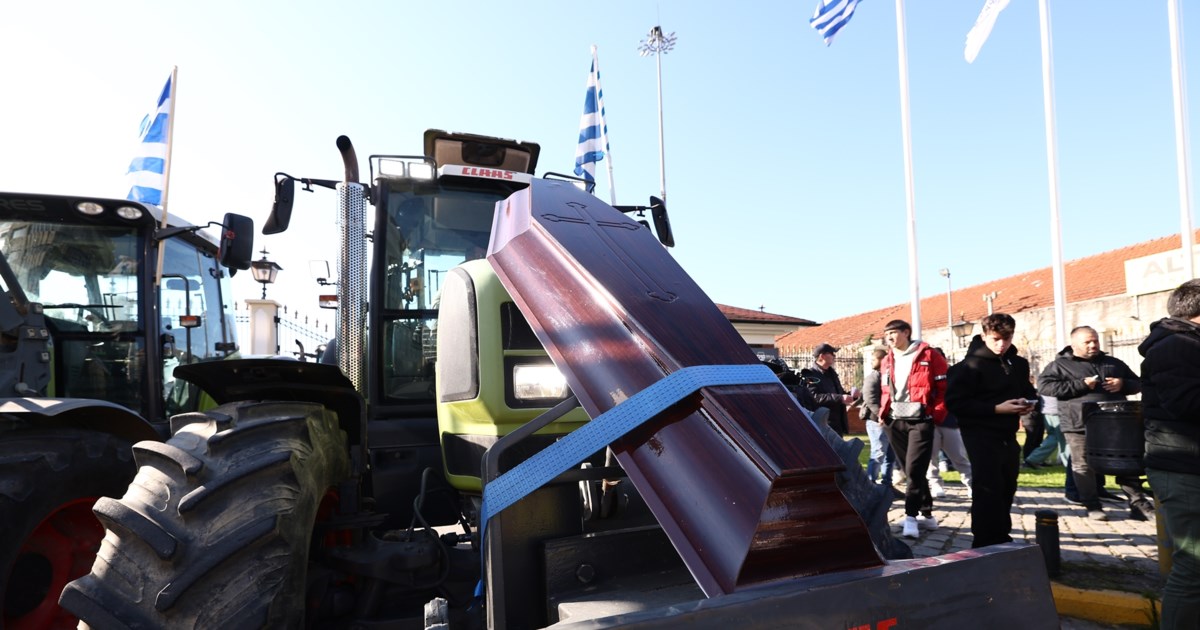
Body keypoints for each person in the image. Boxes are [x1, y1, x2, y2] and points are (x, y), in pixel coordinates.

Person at [1038, 325, 1150, 522]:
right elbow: (1045, 387)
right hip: (1078, 423)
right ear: (1074, 344)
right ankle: (1092, 505)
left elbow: (1139, 383)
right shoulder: (1060, 365)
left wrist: (1123, 384)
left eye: (1095, 341)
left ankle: (1138, 504)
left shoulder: (1113, 362)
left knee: (1128, 462)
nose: (1093, 345)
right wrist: (1081, 384)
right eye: (1087, 342)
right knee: (1083, 465)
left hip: (1116, 424)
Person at [945, 313, 1037, 548]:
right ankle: (984, 541)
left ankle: (1001, 536)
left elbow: (1027, 390)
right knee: (987, 487)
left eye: (1007, 339)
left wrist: (1028, 403)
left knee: (1007, 484)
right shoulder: (967, 367)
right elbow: (956, 404)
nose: (1001, 344)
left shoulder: (1017, 363)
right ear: (984, 335)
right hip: (979, 434)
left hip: (1008, 434)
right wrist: (996, 409)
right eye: (996, 339)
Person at [1138, 279, 1200, 629]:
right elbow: (1186, 402)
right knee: (1194, 566)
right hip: (1183, 468)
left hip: (1189, 464)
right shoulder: (1176, 345)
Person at [879, 319, 948, 539]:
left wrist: (935, 414)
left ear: (906, 332)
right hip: (894, 421)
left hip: (921, 420)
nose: (890, 337)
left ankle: (911, 517)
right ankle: (927, 514)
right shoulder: (887, 359)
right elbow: (884, 390)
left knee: (916, 469)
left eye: (893, 332)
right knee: (911, 470)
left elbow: (944, 388)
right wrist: (882, 414)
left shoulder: (929, 355)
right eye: (887, 334)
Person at [926, 348, 973, 500]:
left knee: (959, 456)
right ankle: (935, 484)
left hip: (949, 420)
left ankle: (971, 483)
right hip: (930, 421)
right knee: (931, 458)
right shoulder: (925, 374)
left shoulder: (953, 375)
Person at [861, 349, 897, 496]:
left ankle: (887, 485)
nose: (871, 362)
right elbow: (870, 399)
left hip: (890, 420)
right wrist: (881, 415)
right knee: (878, 452)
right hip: (877, 421)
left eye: (874, 359)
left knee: (891, 454)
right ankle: (870, 485)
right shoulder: (873, 377)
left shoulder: (888, 375)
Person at [802, 343, 856, 436]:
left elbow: (840, 393)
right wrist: (840, 398)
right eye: (831, 353)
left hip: (837, 422)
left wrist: (852, 395)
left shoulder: (832, 374)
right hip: (823, 422)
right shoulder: (810, 374)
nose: (834, 356)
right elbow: (815, 397)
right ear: (822, 356)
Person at [1024, 394, 1067, 468]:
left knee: (1053, 437)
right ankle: (1069, 463)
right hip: (1057, 410)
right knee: (1062, 438)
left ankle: (1033, 459)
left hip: (1047, 410)